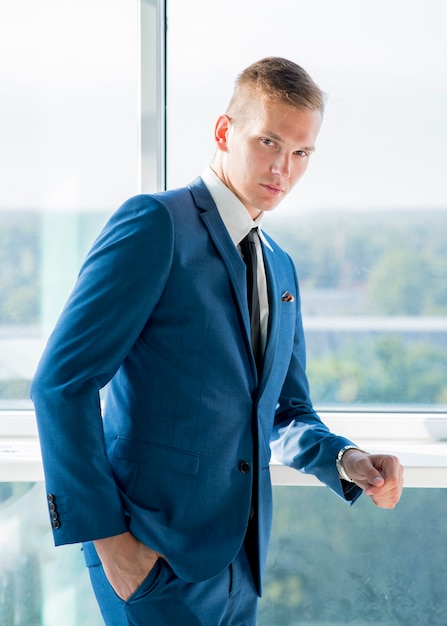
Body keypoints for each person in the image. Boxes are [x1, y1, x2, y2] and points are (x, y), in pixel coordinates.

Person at [31, 57, 404, 626]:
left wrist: (346, 459)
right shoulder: (156, 224)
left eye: (302, 153)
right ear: (224, 132)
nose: (284, 167)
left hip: (241, 566)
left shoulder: (280, 266)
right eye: (269, 142)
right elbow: (61, 383)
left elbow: (283, 411)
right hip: (153, 559)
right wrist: (111, 544)